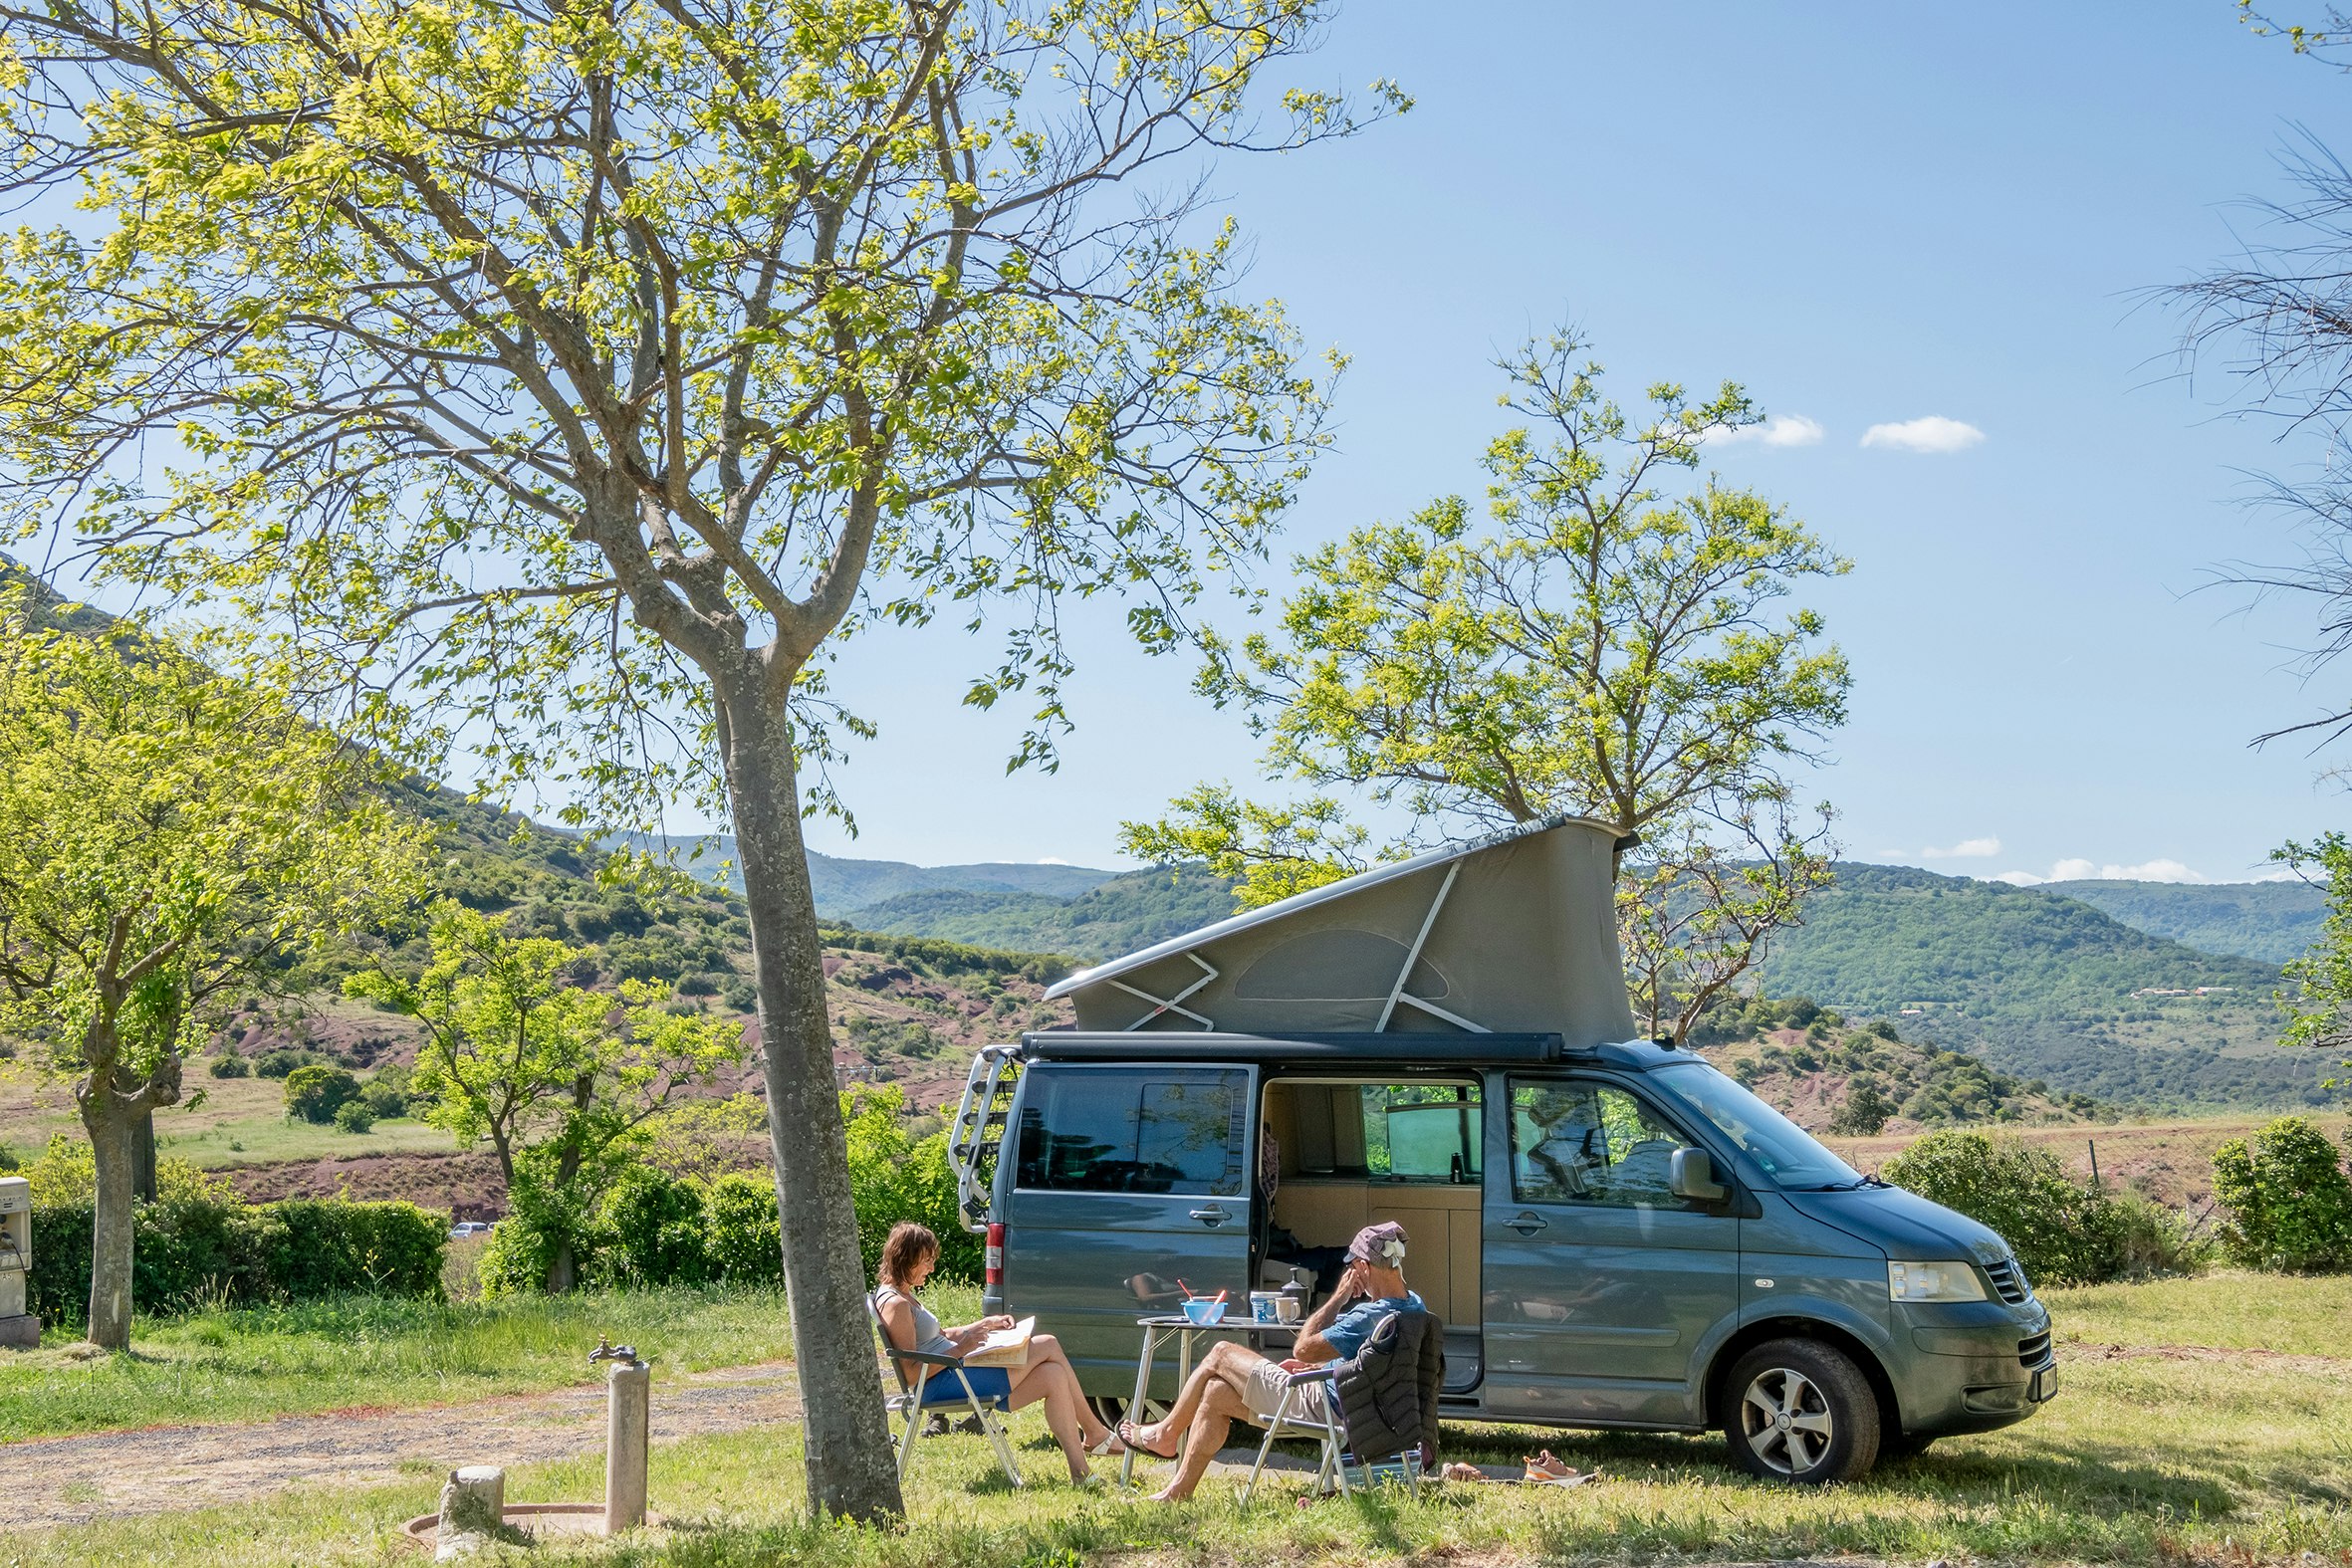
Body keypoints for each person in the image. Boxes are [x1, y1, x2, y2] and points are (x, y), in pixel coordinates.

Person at [1118, 1221, 1422, 1502]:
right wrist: (1318, 1369)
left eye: (1353, 1268)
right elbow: (1366, 1366)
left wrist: (1339, 1297)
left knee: (1222, 1352)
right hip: (1361, 1407)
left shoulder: (1366, 1316)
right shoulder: (1414, 1307)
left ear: (1364, 1267)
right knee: (1215, 1391)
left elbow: (1302, 1348)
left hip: (1321, 1406)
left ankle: (1165, 1434)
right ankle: (1179, 1491)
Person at [873, 1221, 1125, 1484]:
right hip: (943, 1383)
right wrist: (962, 1350)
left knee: (1053, 1374)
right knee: (1048, 1343)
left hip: (954, 1373)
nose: (931, 1268)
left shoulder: (903, 1295)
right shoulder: (896, 1304)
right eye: (926, 1261)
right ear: (906, 1257)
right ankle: (1095, 1434)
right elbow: (911, 1372)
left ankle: (1080, 1473)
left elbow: (938, 1337)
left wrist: (981, 1326)